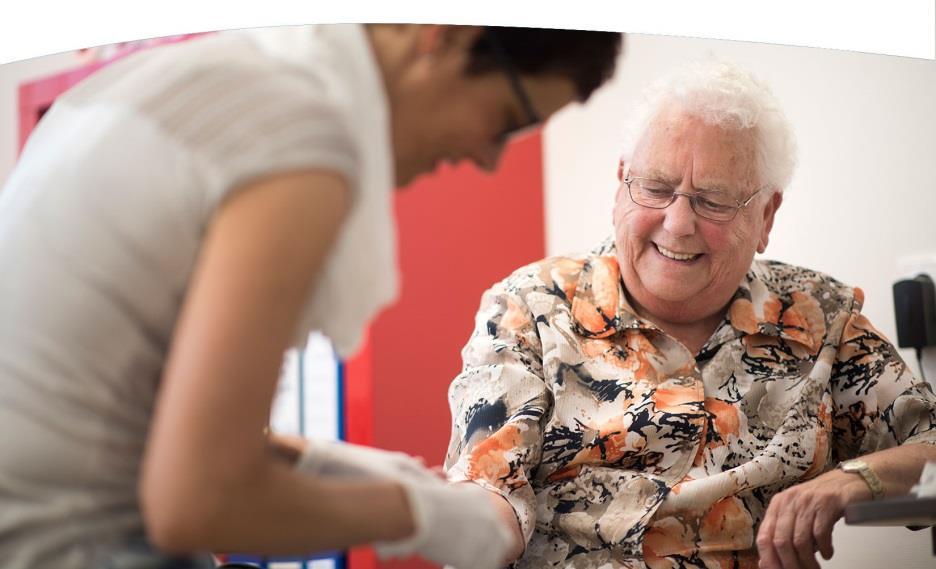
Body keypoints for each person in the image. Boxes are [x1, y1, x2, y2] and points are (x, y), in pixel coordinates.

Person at [0, 24, 622, 569]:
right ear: (448, 34)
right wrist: (426, 516)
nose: (488, 160)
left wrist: (378, 476)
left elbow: (138, 427)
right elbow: (198, 500)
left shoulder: (179, 80)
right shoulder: (299, 138)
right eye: (508, 122)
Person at [443, 60, 936, 569]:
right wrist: (430, 518)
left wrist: (854, 479)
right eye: (656, 188)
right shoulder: (531, 307)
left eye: (713, 201)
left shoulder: (818, 317)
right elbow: (490, 487)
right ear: (620, 185)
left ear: (766, 215)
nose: (677, 224)